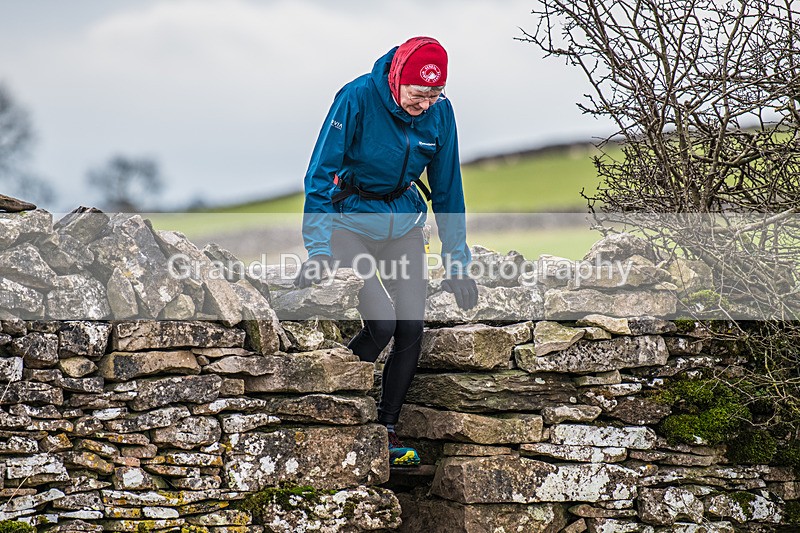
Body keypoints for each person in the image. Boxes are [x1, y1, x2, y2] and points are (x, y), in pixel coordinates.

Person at [295, 36, 478, 466]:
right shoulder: (357, 97)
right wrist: (319, 249)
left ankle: (387, 430)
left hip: (403, 225)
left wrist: (457, 263)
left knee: (411, 328)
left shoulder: (441, 114)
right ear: (397, 79)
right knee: (382, 323)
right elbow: (319, 175)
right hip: (348, 223)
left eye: (435, 94)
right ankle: (327, 404)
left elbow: (449, 190)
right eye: (418, 94)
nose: (425, 104)